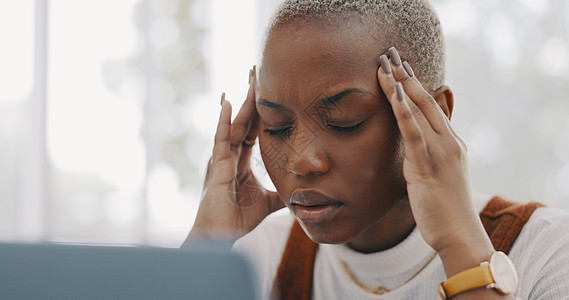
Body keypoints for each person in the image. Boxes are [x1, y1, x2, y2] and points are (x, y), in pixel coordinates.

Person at [185, 0, 569, 299]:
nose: (302, 160)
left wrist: (461, 248)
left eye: (345, 122)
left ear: (437, 115)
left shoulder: (546, 252)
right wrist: (203, 247)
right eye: (277, 126)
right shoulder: (259, 259)